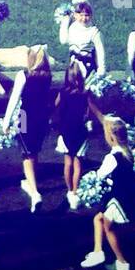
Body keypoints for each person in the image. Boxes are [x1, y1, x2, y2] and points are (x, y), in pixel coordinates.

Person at [80, 115, 135, 270]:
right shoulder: (127, 152)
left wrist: (91, 179)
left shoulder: (112, 157)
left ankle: (122, 263)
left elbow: (100, 175)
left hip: (119, 199)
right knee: (98, 219)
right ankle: (98, 252)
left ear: (111, 137)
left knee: (108, 228)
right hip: (126, 196)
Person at [2, 45, 55, 212]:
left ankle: (35, 193)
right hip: (42, 118)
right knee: (34, 151)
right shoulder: (48, 76)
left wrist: (6, 122)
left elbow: (14, 100)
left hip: (25, 117)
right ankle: (30, 181)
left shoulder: (23, 75)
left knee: (26, 154)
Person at [55, 59, 92, 208]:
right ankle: (75, 193)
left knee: (68, 163)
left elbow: (55, 106)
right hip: (80, 132)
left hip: (66, 132)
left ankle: (70, 191)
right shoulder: (85, 93)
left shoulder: (62, 93)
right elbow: (88, 112)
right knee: (78, 164)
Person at [57, 0, 105, 79]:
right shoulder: (72, 27)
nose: (84, 18)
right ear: (75, 15)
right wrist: (65, 22)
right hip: (73, 67)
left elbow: (100, 52)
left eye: (86, 15)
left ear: (91, 15)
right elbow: (63, 41)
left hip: (88, 67)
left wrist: (101, 69)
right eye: (81, 15)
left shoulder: (94, 32)